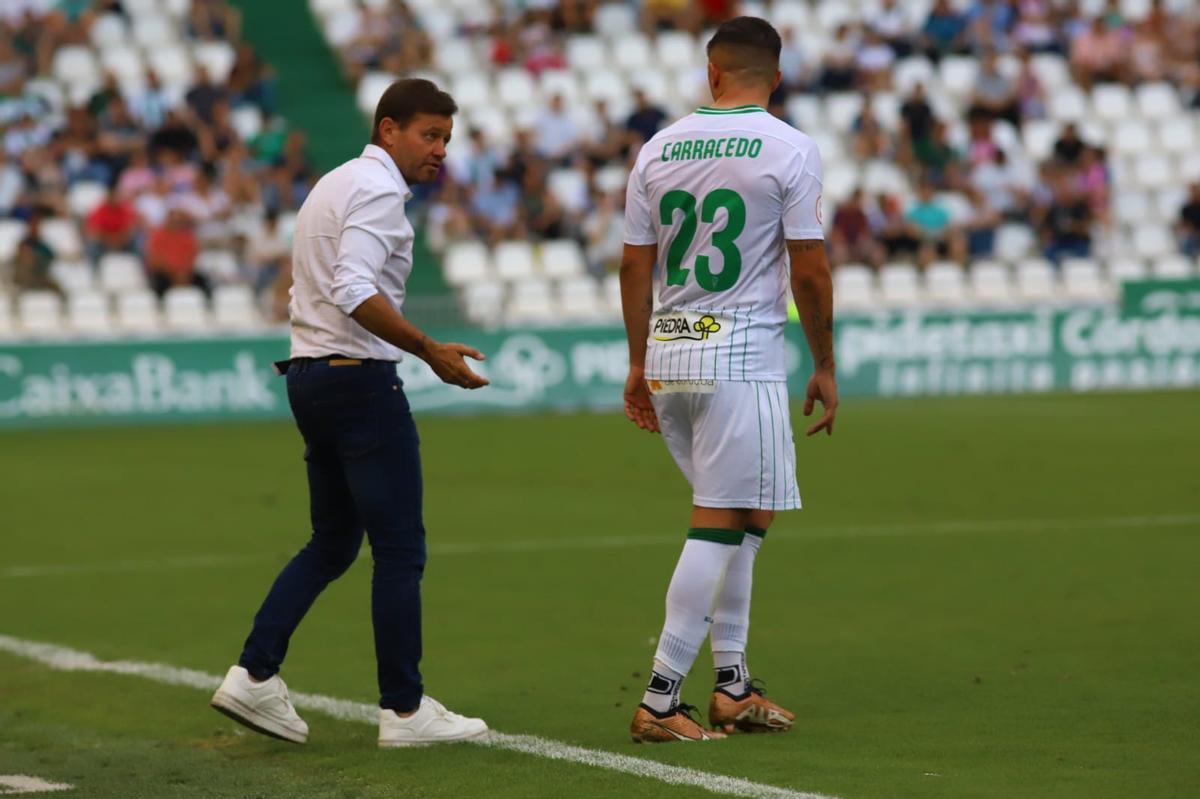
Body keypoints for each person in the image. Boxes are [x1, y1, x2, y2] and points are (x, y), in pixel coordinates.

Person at [210, 78, 491, 748]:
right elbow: (354, 286)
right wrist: (427, 348)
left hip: (310, 374)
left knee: (333, 541)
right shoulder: (377, 192)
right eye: (429, 134)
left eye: (447, 139)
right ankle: (404, 709)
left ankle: (253, 674)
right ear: (388, 130)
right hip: (357, 380)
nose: (440, 150)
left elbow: (308, 281)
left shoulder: (335, 183)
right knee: (399, 548)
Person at [619, 16, 837, 743]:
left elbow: (633, 262)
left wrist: (636, 363)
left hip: (672, 351)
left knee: (748, 513)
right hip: (739, 358)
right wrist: (825, 362)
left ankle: (732, 684)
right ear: (776, 78)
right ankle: (659, 698)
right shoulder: (789, 147)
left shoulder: (658, 147)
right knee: (718, 521)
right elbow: (808, 265)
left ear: (712, 73)